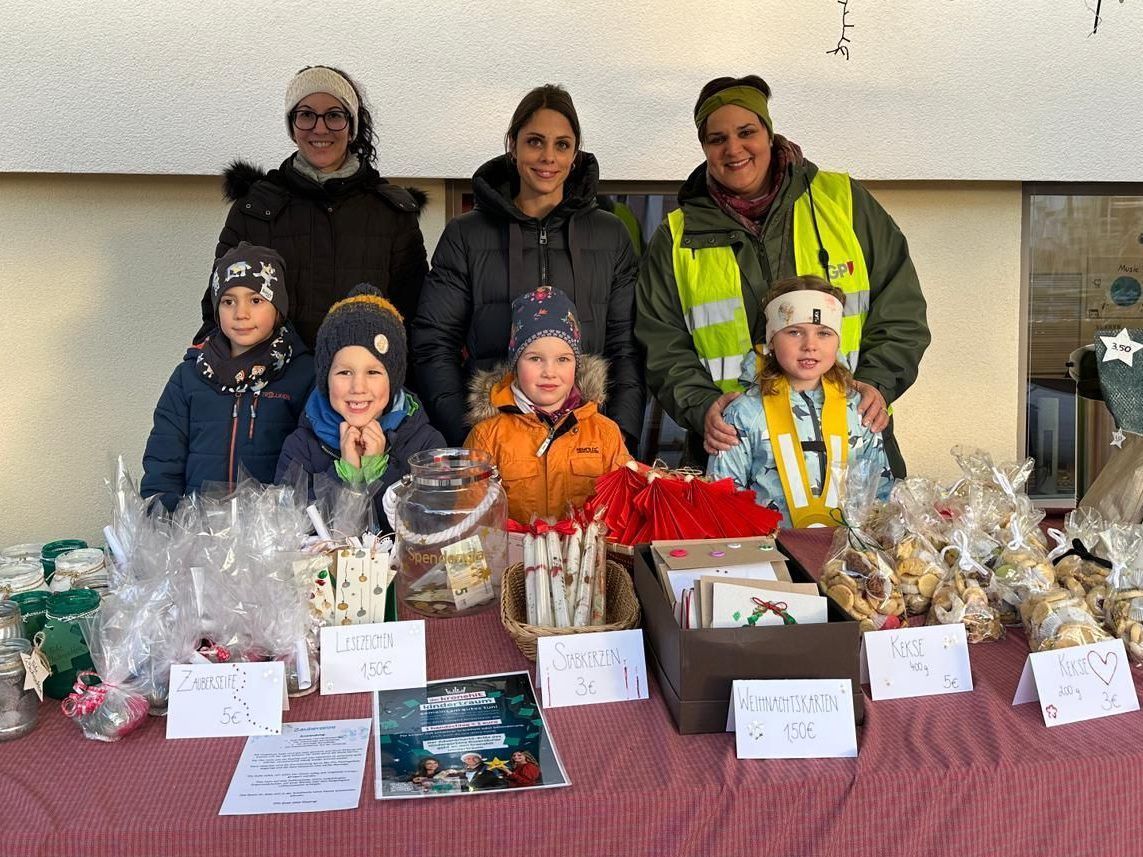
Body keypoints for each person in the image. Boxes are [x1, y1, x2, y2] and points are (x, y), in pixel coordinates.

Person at [636, 74, 929, 475]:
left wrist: (879, 381)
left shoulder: (842, 202)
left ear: (768, 133)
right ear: (704, 147)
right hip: (734, 451)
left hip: (851, 446)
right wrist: (701, 405)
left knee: (857, 538)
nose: (734, 149)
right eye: (717, 139)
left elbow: (900, 309)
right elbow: (660, 342)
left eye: (746, 132)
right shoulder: (677, 236)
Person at [412, 84, 643, 452]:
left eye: (562, 144)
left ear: (575, 152)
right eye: (535, 141)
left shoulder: (610, 234)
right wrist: (467, 435)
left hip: (588, 443)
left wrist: (619, 436)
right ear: (513, 145)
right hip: (494, 442)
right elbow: (433, 343)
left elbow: (626, 346)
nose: (548, 157)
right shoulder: (466, 234)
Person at [200, 65, 428, 350]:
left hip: (363, 390)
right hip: (272, 388)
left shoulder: (392, 213)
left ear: (352, 126)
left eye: (334, 115)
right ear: (292, 126)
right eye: (306, 115)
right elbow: (217, 310)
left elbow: (417, 318)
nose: (320, 128)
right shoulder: (255, 209)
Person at [707, 276, 892, 527]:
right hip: (769, 556)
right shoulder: (743, 413)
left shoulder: (860, 409)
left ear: (838, 341)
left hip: (845, 559)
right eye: (794, 332)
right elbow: (721, 499)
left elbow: (879, 495)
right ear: (772, 340)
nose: (810, 346)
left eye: (824, 333)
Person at [142, 244, 313, 511]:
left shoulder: (302, 375)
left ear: (278, 307)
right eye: (228, 301)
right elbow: (163, 461)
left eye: (256, 300)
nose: (240, 313)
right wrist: (164, 520)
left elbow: (312, 462)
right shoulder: (189, 377)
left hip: (272, 535)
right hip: (198, 534)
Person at [275, 284, 444, 530]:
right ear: (325, 379)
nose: (358, 387)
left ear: (394, 379)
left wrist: (377, 472)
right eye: (344, 372)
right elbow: (289, 530)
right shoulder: (300, 448)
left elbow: (429, 529)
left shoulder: (425, 445)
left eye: (373, 372)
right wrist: (348, 475)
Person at [464, 287, 632, 523]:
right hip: (514, 558)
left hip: (585, 557)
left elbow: (624, 507)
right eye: (535, 358)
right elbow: (469, 517)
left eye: (563, 359)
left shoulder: (605, 434)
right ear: (515, 364)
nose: (550, 372)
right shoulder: (486, 437)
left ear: (577, 364)